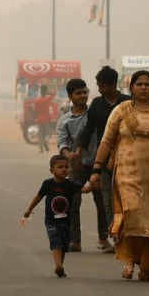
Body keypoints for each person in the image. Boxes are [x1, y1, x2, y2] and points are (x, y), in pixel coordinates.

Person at [87, 70, 149, 281]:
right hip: (127, 175)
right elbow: (106, 141)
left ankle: (147, 268)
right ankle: (130, 261)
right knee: (130, 215)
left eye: (147, 84)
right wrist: (96, 169)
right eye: (139, 84)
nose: (143, 88)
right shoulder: (121, 111)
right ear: (131, 88)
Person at [76, 65, 131, 253]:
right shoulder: (97, 105)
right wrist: (79, 150)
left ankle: (131, 236)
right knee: (108, 199)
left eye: (102, 86)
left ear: (113, 85)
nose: (100, 89)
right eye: (98, 86)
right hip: (105, 159)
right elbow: (89, 129)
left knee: (127, 199)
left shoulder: (127, 103)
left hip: (127, 160)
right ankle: (116, 237)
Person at [55, 78, 109, 253]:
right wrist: (68, 156)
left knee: (102, 203)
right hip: (76, 167)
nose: (83, 96)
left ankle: (103, 238)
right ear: (70, 96)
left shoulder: (95, 113)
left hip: (97, 166)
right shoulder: (64, 121)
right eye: (78, 93)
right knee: (73, 203)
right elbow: (62, 143)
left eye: (85, 92)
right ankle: (75, 240)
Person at [22, 154, 95, 277]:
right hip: (51, 221)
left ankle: (59, 266)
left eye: (66, 167)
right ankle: (59, 266)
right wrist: (29, 209)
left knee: (64, 244)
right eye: (60, 167)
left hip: (66, 221)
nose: (64, 169)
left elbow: (84, 190)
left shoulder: (70, 185)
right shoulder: (47, 184)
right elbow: (38, 197)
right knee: (56, 241)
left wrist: (92, 184)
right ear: (52, 170)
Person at [30, 84, 55, 154]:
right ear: (45, 92)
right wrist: (47, 92)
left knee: (40, 134)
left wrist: (33, 118)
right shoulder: (47, 99)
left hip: (39, 119)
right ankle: (45, 142)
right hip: (46, 119)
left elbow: (35, 111)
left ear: (40, 92)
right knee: (47, 133)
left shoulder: (37, 101)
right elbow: (53, 94)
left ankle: (41, 149)